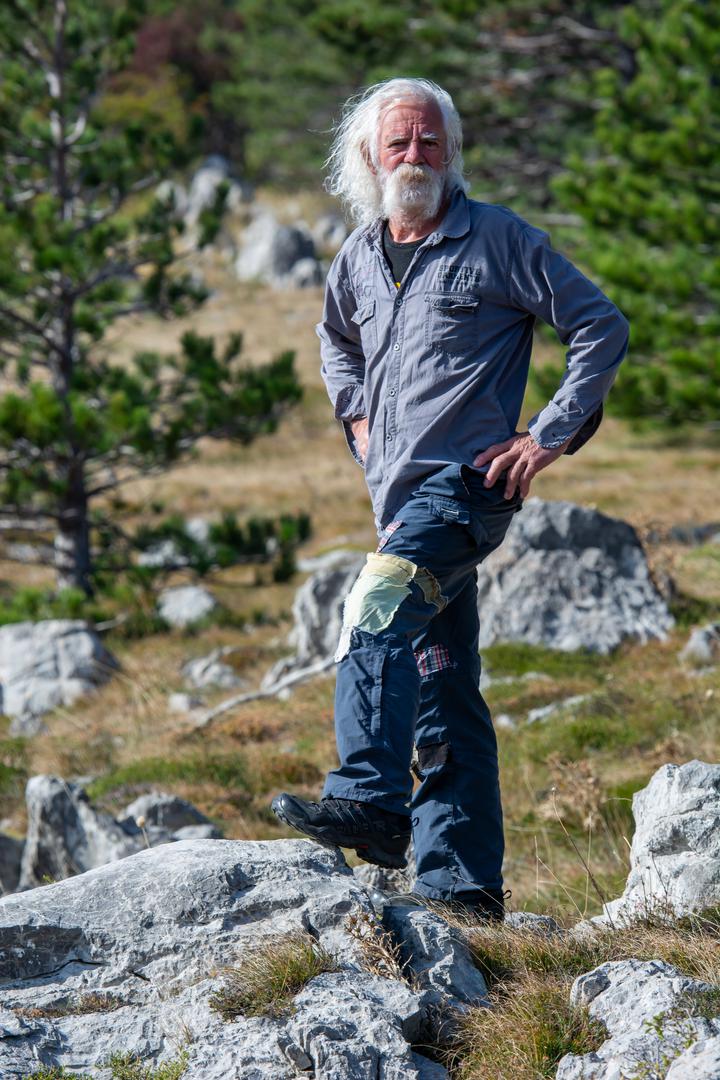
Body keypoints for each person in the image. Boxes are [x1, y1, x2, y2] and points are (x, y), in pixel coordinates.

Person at [272, 77, 629, 921]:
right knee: (444, 686)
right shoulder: (357, 258)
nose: (415, 156)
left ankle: (369, 798)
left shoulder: (498, 238)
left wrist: (545, 437)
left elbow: (600, 325)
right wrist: (356, 416)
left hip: (465, 490)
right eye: (398, 143)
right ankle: (463, 889)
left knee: (377, 603)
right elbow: (334, 340)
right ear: (369, 158)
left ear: (453, 152)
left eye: (430, 141)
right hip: (396, 505)